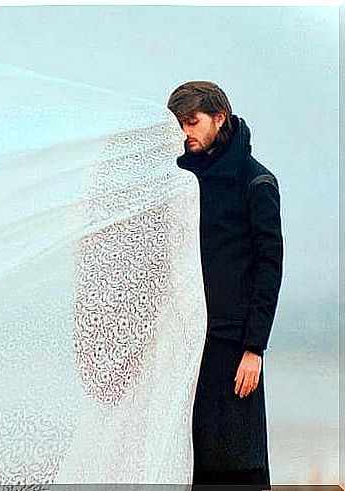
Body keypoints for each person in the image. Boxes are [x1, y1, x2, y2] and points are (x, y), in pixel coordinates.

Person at [166, 81, 283, 490]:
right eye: (180, 123)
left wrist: (255, 347)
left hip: (235, 346)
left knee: (238, 463)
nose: (185, 132)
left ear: (220, 118)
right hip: (184, 346)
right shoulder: (178, 180)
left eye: (192, 121)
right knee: (187, 462)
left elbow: (269, 267)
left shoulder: (257, 182)